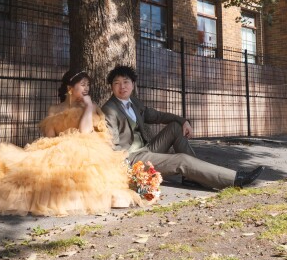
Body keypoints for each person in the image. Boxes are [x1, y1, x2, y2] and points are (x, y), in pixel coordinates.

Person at [0, 70, 145, 216]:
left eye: (88, 85)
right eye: (82, 85)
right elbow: (50, 137)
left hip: (86, 150)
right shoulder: (54, 110)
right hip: (58, 151)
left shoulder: (92, 107)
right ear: (70, 88)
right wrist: (58, 151)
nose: (86, 88)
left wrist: (88, 108)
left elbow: (85, 132)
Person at [102, 65, 263, 190]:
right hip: (132, 158)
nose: (122, 87)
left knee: (175, 127)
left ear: (132, 84)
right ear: (111, 87)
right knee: (181, 160)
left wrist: (183, 121)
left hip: (146, 149)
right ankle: (235, 179)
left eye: (125, 82)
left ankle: (194, 177)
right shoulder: (110, 109)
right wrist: (123, 174)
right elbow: (112, 143)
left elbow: (156, 116)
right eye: (117, 83)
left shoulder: (134, 102)